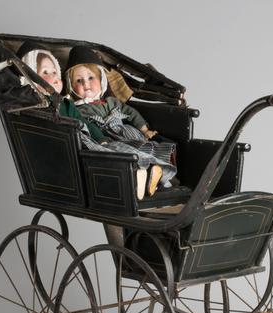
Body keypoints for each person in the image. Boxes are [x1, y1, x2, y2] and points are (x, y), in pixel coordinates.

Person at [16, 41, 176, 200]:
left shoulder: (68, 103)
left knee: (130, 146)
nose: (53, 77)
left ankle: (155, 173)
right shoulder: (39, 104)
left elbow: (90, 122)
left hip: (98, 136)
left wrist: (102, 138)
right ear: (29, 77)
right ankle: (140, 176)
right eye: (45, 72)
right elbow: (80, 122)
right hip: (76, 142)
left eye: (54, 72)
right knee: (115, 153)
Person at [65, 45, 177, 197]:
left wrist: (145, 130)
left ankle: (161, 175)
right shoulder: (79, 109)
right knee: (126, 153)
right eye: (79, 81)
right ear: (71, 86)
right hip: (108, 137)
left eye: (91, 78)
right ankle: (146, 176)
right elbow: (87, 127)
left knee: (148, 146)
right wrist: (101, 139)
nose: (86, 84)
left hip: (126, 131)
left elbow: (131, 113)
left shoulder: (112, 101)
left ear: (102, 80)